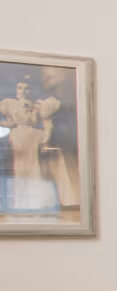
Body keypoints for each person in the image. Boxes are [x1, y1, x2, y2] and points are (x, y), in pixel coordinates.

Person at [0, 78, 64, 213]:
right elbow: (8, 123)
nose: (23, 91)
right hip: (18, 137)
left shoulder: (38, 105)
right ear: (16, 90)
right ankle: (20, 203)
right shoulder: (10, 104)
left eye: (26, 88)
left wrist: (46, 138)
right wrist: (5, 124)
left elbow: (48, 123)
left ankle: (38, 203)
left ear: (31, 90)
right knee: (19, 168)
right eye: (20, 87)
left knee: (35, 168)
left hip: (34, 136)